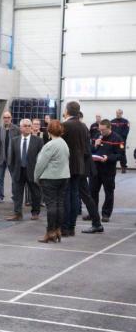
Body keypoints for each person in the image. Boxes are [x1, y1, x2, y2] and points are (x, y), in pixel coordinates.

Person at [61, 101, 103, 236]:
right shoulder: (84, 126)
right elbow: (86, 149)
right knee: (81, 196)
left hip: (71, 166)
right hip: (81, 165)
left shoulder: (65, 125)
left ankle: (69, 227)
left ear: (67, 111)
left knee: (72, 196)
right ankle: (89, 223)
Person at [33, 120, 70, 243]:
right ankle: (58, 229)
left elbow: (40, 163)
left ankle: (50, 232)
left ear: (48, 131)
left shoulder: (50, 145)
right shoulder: (64, 143)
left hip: (50, 179)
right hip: (64, 177)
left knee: (51, 206)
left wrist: (36, 177)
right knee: (60, 204)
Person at [88, 119, 124, 226]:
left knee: (109, 192)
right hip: (95, 169)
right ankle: (93, 213)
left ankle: (106, 214)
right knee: (92, 192)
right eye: (100, 129)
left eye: (103, 130)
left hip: (108, 170)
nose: (101, 132)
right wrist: (95, 145)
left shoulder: (117, 138)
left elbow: (120, 155)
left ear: (109, 128)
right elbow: (90, 150)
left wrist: (108, 157)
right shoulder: (97, 136)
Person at [6, 119, 43, 221]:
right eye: (25, 126)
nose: (27, 128)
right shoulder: (15, 140)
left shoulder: (38, 141)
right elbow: (11, 157)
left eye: (29, 126)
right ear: (21, 128)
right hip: (18, 171)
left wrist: (39, 172)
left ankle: (35, 212)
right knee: (17, 193)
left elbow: (41, 158)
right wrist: (13, 170)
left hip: (32, 171)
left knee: (35, 193)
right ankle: (17, 213)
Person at [0, 111, 19, 203]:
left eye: (8, 117)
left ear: (11, 118)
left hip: (12, 158)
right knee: (0, 178)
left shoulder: (16, 129)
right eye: (5, 117)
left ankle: (15, 197)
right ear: (3, 119)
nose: (6, 119)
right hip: (1, 157)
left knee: (14, 179)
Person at [111, 109, 129, 173]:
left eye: (119, 113)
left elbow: (126, 131)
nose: (118, 114)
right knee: (113, 153)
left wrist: (120, 139)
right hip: (113, 141)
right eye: (117, 113)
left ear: (122, 113)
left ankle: (123, 167)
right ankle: (112, 167)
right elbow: (111, 131)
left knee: (122, 153)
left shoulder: (125, 121)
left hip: (121, 142)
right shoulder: (112, 121)